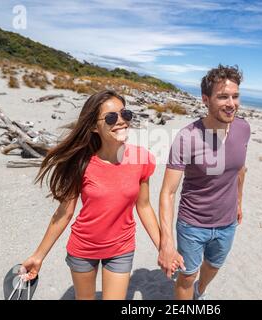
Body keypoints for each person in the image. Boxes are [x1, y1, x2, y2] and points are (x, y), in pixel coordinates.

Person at [20, 90, 178, 300]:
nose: (121, 121)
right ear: (94, 127)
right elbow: (64, 214)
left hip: (121, 247)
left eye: (125, 114)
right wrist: (38, 256)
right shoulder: (81, 163)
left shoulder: (142, 158)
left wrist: (163, 248)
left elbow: (144, 206)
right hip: (83, 248)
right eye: (111, 117)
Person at [158, 64, 251, 300]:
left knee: (213, 266)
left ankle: (200, 292)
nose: (231, 103)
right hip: (192, 223)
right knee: (187, 275)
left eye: (235, 96)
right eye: (222, 97)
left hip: (227, 223)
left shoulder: (243, 128)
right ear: (205, 99)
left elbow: (240, 169)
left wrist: (238, 203)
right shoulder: (187, 137)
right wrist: (166, 243)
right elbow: (168, 193)